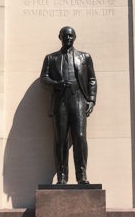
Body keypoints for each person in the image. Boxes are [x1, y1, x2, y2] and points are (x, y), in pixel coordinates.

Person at [40, 26, 96, 184]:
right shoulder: (51, 58)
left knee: (79, 137)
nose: (68, 38)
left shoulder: (84, 57)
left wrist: (91, 99)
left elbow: (92, 79)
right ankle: (62, 176)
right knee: (61, 139)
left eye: (71, 35)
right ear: (60, 37)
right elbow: (43, 79)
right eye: (65, 35)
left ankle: (81, 175)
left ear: (75, 37)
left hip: (78, 99)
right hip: (60, 101)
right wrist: (57, 84)